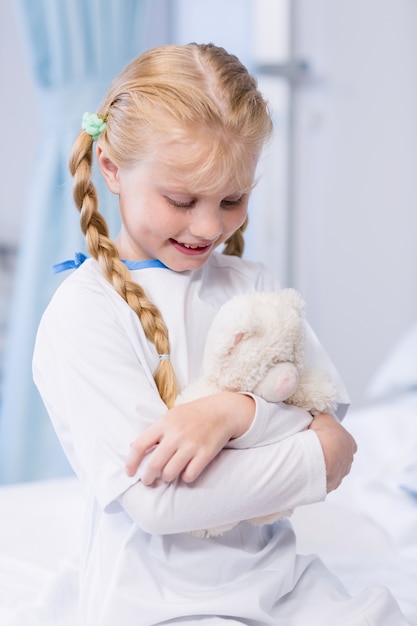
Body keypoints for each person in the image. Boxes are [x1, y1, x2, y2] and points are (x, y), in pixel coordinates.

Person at [32, 43, 409, 625]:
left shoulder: (251, 285)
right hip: (161, 604)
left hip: (281, 582)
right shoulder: (85, 314)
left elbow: (337, 433)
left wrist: (234, 415)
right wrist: (306, 452)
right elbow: (158, 503)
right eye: (181, 200)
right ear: (111, 167)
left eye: (233, 199)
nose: (209, 226)